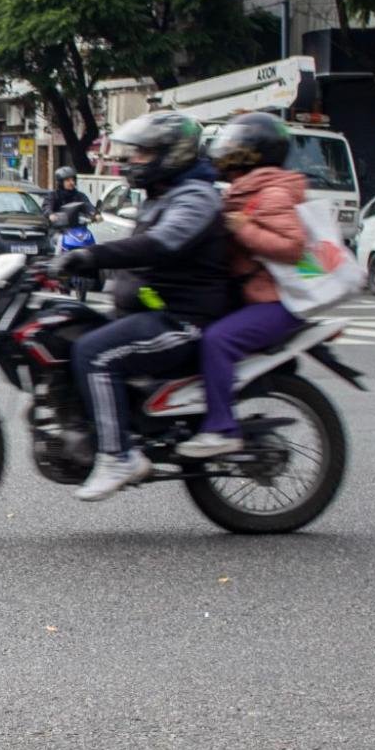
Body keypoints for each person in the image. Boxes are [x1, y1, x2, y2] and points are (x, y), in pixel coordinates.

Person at [51, 111, 229, 501]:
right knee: (68, 330)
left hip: (183, 320)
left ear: (173, 154)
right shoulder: (162, 195)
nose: (134, 161)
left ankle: (118, 456)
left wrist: (89, 256)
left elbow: (158, 245)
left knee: (94, 354)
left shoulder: (196, 197)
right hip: (150, 311)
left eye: (144, 153)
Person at [174, 113, 307, 459]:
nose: (227, 150)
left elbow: (293, 247)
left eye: (236, 145)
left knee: (218, 340)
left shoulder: (271, 193)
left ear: (255, 152)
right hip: (253, 297)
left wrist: (242, 229)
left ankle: (222, 429)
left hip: (277, 303)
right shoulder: (244, 191)